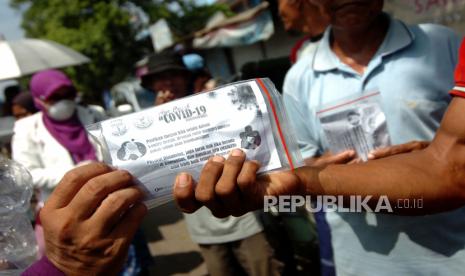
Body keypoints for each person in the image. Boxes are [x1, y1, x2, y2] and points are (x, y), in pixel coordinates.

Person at [178, 0, 465, 275]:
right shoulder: (299, 76)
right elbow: (298, 160)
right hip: (362, 259)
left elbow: (452, 159)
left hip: (454, 252)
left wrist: (433, 154)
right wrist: (317, 169)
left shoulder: (442, 44)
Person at [140, 52, 283, 276]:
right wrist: (158, 120)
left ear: (185, 77)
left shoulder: (215, 102)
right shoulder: (147, 125)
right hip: (203, 226)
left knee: (263, 267)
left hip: (244, 217)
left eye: (173, 75)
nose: (168, 83)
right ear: (152, 85)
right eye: (160, 78)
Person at [22, 163, 147, 276]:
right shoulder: (28, 137)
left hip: (112, 205)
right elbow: (28, 174)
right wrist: (63, 266)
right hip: (65, 217)